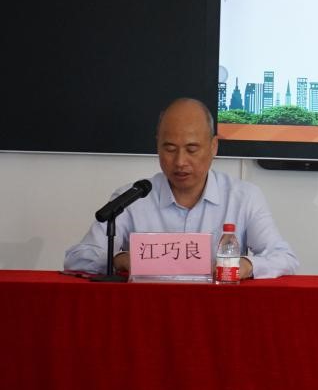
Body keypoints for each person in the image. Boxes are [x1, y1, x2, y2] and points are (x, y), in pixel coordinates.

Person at [64, 97, 298, 279]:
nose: (180, 162)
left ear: (213, 147)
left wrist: (246, 265)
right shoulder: (132, 199)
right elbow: (77, 258)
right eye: (169, 149)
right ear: (157, 145)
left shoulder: (243, 197)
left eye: (192, 149)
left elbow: (284, 258)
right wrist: (119, 260)